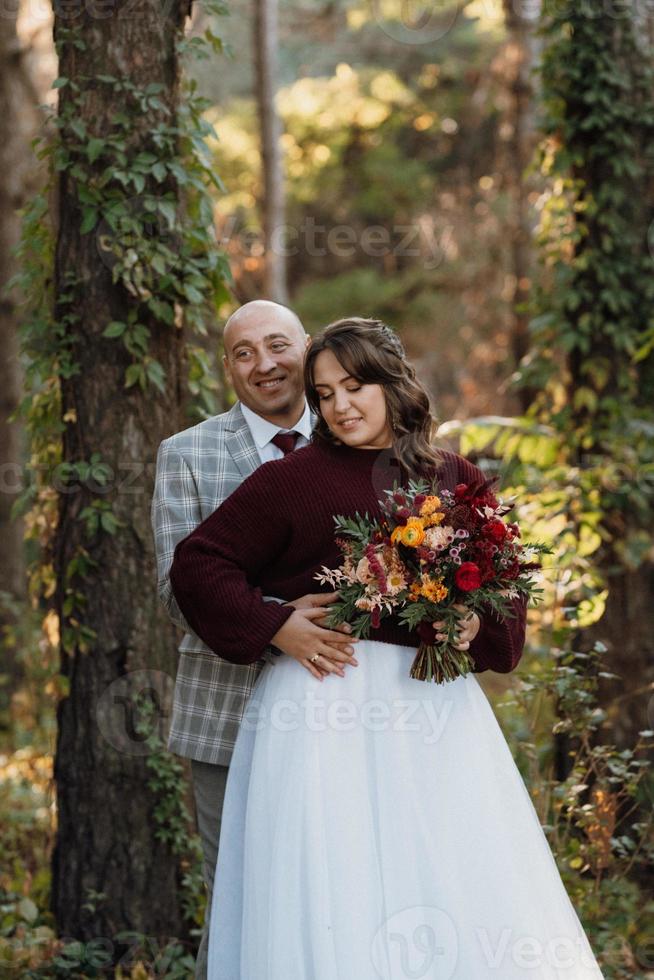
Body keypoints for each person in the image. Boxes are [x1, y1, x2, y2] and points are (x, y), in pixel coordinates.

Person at [170, 318, 605, 979]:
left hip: (435, 714)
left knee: (444, 869)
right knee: (335, 876)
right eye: (324, 394)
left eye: (355, 386)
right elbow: (199, 564)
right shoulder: (292, 480)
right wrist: (273, 625)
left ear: (392, 383)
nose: (340, 406)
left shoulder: (456, 476)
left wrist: (473, 628)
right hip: (321, 714)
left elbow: (507, 600)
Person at [151, 300, 358, 979]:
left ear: (307, 348)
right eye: (243, 352)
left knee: (334, 886)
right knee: (240, 895)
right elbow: (174, 587)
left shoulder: (355, 436)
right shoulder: (186, 454)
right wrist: (278, 625)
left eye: (277, 345)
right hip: (228, 712)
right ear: (228, 369)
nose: (264, 363)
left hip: (348, 708)